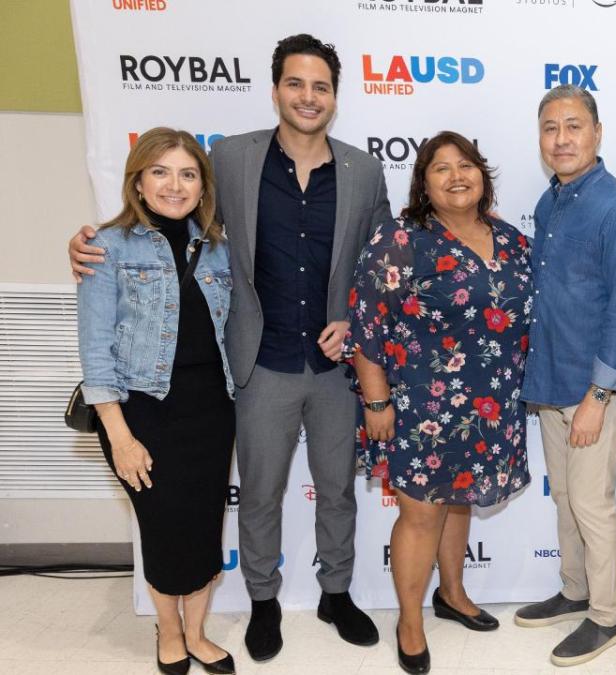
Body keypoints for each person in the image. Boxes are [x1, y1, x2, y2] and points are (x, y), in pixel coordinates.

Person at [70, 34, 392, 661]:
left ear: (335, 97)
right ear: (275, 90)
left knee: (337, 489)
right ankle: (264, 602)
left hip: (334, 367)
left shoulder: (364, 170)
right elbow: (167, 211)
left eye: (320, 86)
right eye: (295, 84)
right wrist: (90, 243)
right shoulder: (230, 159)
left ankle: (336, 593)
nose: (308, 96)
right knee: (262, 490)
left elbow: (378, 267)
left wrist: (354, 321)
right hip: (254, 362)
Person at [343, 131, 533, 674]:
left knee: (460, 501)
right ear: (423, 183)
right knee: (422, 515)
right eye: (440, 168)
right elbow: (367, 321)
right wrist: (376, 400)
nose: (456, 175)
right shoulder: (403, 239)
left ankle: (452, 594)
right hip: (419, 407)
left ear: (483, 173)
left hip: (492, 405)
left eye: (466, 164)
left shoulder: (512, 240)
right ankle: (409, 621)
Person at [77, 127, 237, 675]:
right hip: (141, 412)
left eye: (188, 173)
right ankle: (168, 630)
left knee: (202, 526)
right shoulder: (105, 246)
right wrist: (119, 435)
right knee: (164, 527)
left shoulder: (217, 247)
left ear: (202, 185)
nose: (175, 184)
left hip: (211, 410)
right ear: (138, 183)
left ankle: (196, 632)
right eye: (161, 172)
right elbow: (95, 350)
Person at [513, 84, 616, 667]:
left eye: (574, 126)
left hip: (595, 390)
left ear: (597, 133)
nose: (562, 138)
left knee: (593, 505)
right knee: (567, 500)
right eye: (550, 127)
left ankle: (606, 616)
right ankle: (575, 591)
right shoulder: (551, 204)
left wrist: (599, 394)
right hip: (550, 383)